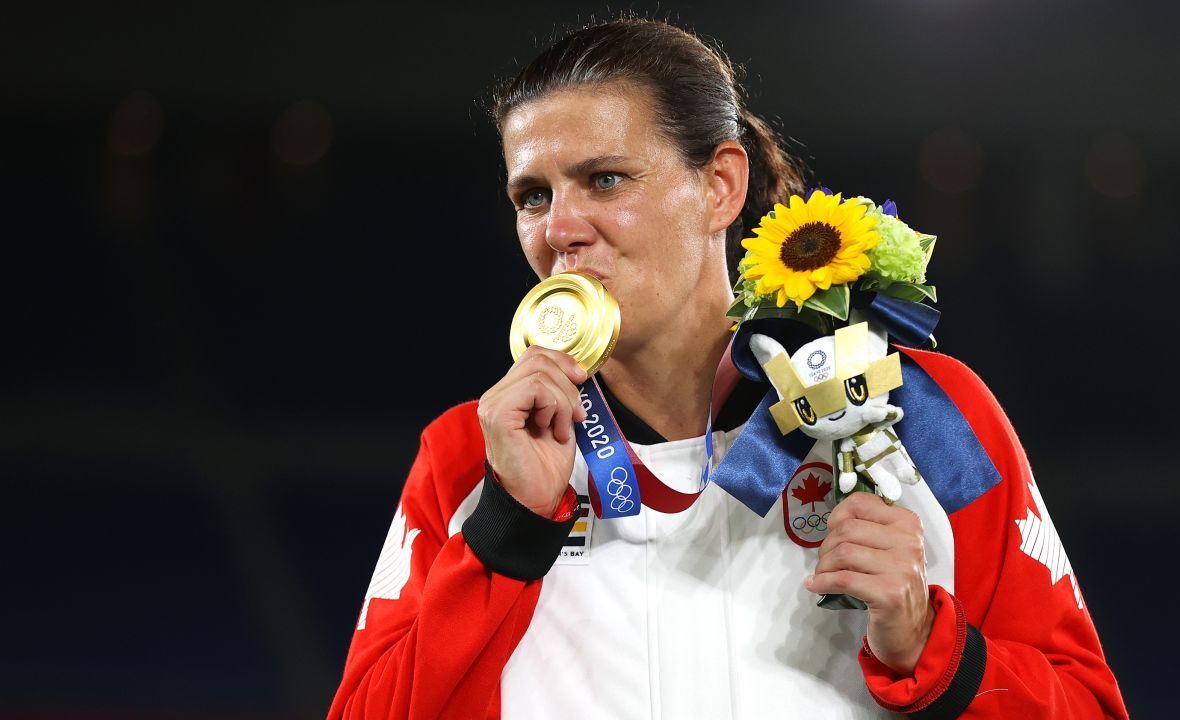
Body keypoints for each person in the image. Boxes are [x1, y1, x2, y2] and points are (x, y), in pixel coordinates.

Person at [328, 18, 1128, 720]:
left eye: (605, 180)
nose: (561, 228)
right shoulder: (473, 458)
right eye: (532, 195)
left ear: (720, 186)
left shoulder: (916, 413)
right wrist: (504, 531)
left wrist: (929, 643)